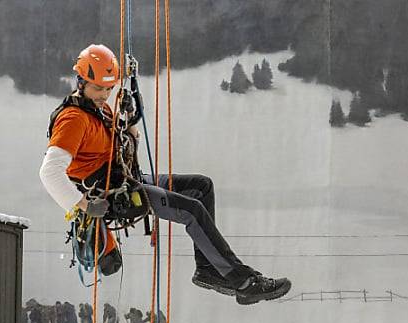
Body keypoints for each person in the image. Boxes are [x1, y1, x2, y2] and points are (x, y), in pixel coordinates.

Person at [40, 44, 290, 305]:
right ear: (81, 83)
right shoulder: (73, 119)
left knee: (200, 187)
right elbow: (50, 171)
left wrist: (129, 122)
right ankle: (243, 281)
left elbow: (118, 139)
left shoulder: (98, 108)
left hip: (123, 179)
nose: (104, 94)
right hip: (108, 194)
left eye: (108, 88)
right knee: (191, 210)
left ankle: (207, 270)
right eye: (98, 88)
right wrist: (84, 205)